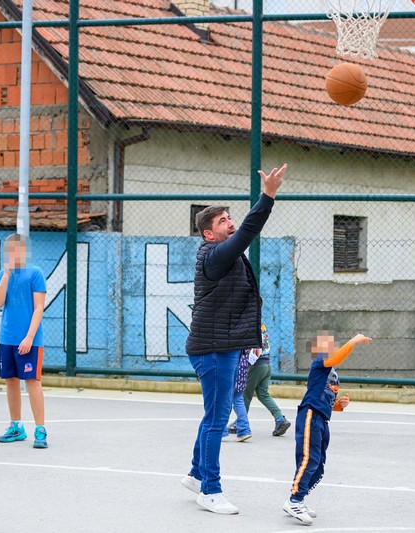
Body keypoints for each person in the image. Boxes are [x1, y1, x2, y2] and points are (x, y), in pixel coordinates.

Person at [180, 164, 287, 515]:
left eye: (230, 216)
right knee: (217, 418)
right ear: (209, 234)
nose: (231, 222)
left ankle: (197, 474)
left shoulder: (224, 255)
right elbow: (248, 233)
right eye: (223, 220)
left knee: (213, 413)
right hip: (213, 349)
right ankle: (210, 490)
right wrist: (267, 195)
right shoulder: (216, 255)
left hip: (221, 346)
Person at [283, 331, 371, 525]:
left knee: (319, 464)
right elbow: (337, 357)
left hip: (323, 419)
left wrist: (340, 404)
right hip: (310, 415)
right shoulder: (319, 365)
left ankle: (300, 498)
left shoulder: (333, 375)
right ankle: (294, 500)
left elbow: (328, 401)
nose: (332, 349)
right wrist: (354, 341)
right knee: (309, 458)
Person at [0, 234, 48, 449]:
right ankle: (16, 426)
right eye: (9, 250)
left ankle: (40, 429)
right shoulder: (3, 274)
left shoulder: (35, 273)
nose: (13, 254)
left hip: (30, 340)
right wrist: (5, 276)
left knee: (32, 381)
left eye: (17, 250)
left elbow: (38, 308)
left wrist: (29, 337)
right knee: (11, 381)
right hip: (7, 338)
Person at [241, 324, 291, 437]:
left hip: (256, 365)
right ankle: (280, 419)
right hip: (266, 364)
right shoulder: (261, 325)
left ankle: (241, 422)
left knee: (246, 394)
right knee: (263, 394)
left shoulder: (250, 326)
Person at [224, 350, 252, 442]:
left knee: (223, 400)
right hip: (243, 368)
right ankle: (244, 430)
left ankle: (221, 430)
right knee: (238, 399)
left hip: (232, 366)